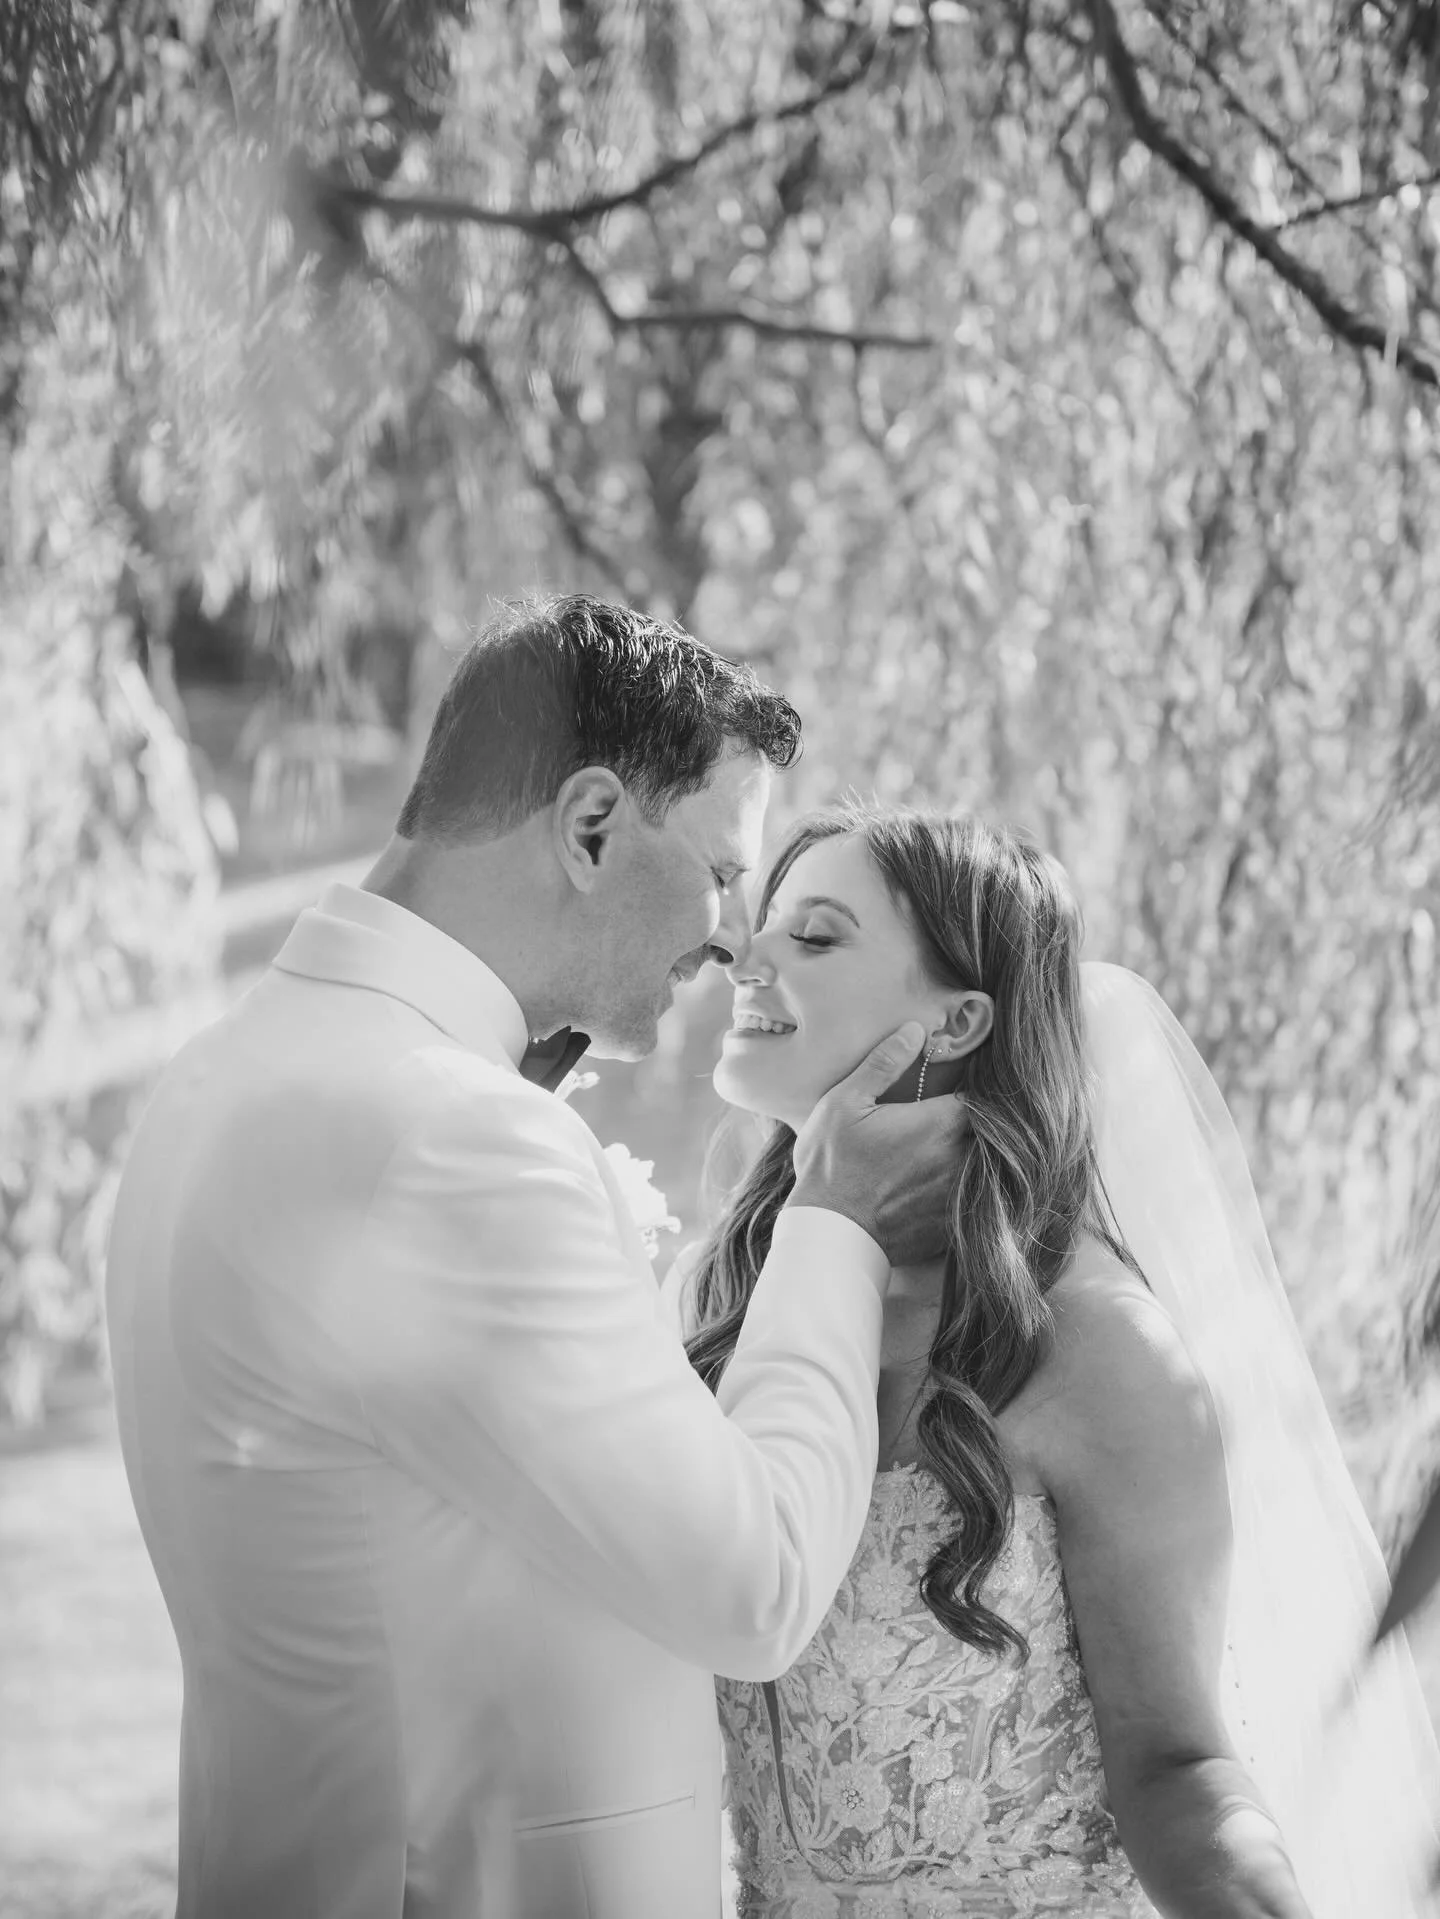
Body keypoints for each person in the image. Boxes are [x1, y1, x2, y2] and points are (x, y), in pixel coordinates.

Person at [104, 599, 965, 1919]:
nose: (739, 936)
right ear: (593, 823)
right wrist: (835, 1216)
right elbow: (756, 1584)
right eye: (726, 871)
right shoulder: (457, 1137)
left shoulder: (220, 1076)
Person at [669, 801, 1440, 1919]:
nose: (745, 954)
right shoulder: (721, 1300)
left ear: (958, 1018)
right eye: (762, 924)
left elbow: (1180, 1770)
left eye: (817, 935)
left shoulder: (1093, 1344)